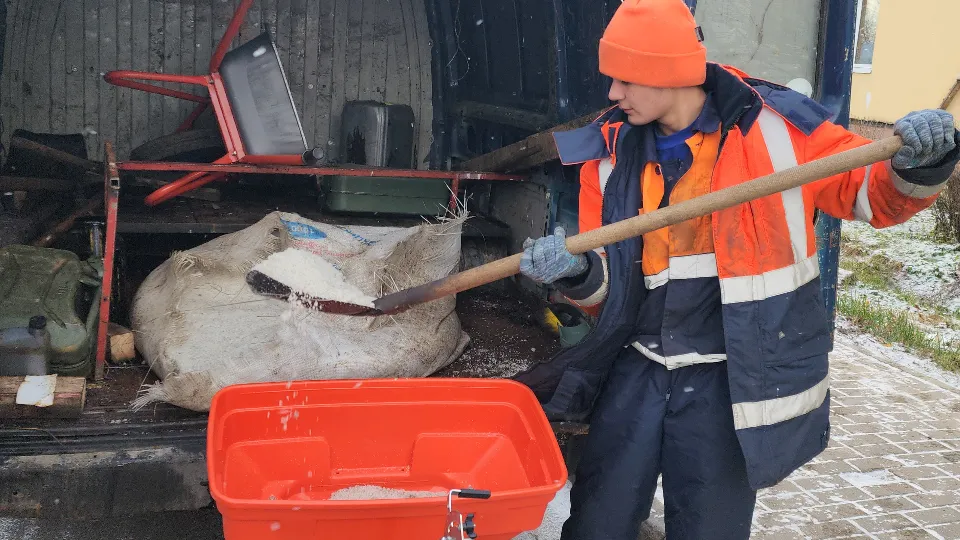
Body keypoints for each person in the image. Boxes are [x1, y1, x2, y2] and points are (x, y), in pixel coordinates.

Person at [513, 1, 960, 539]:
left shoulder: (779, 130)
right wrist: (577, 273)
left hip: (727, 380)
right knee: (597, 522)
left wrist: (922, 164)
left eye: (626, 79)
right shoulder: (608, 153)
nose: (612, 93)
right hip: (637, 366)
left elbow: (872, 196)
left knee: (709, 529)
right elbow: (608, 292)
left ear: (668, 73)